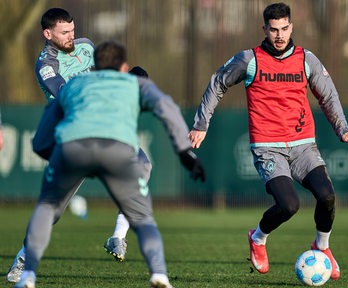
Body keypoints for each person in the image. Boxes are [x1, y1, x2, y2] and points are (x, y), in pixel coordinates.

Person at [188, 2, 348, 280]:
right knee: (289, 205)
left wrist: (343, 129)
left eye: (284, 29)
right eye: (273, 30)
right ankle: (258, 238)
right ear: (264, 29)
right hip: (268, 148)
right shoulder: (249, 59)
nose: (279, 35)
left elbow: (328, 96)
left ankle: (322, 246)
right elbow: (217, 83)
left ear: (291, 27)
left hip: (303, 144)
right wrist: (201, 124)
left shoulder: (306, 59)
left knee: (327, 196)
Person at [13, 40, 205, 288]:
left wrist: (54, 158)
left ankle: (27, 273)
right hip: (116, 150)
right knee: (143, 217)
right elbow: (166, 107)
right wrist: (184, 153)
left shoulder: (73, 86)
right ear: (124, 67)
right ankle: (159, 274)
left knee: (48, 208)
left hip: (74, 147)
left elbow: (41, 140)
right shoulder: (133, 83)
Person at [7, 8, 148, 283]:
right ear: (47, 34)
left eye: (72, 30)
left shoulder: (85, 46)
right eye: (64, 33)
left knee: (143, 165)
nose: (72, 36)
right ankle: (24, 256)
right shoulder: (46, 64)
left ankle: (117, 236)